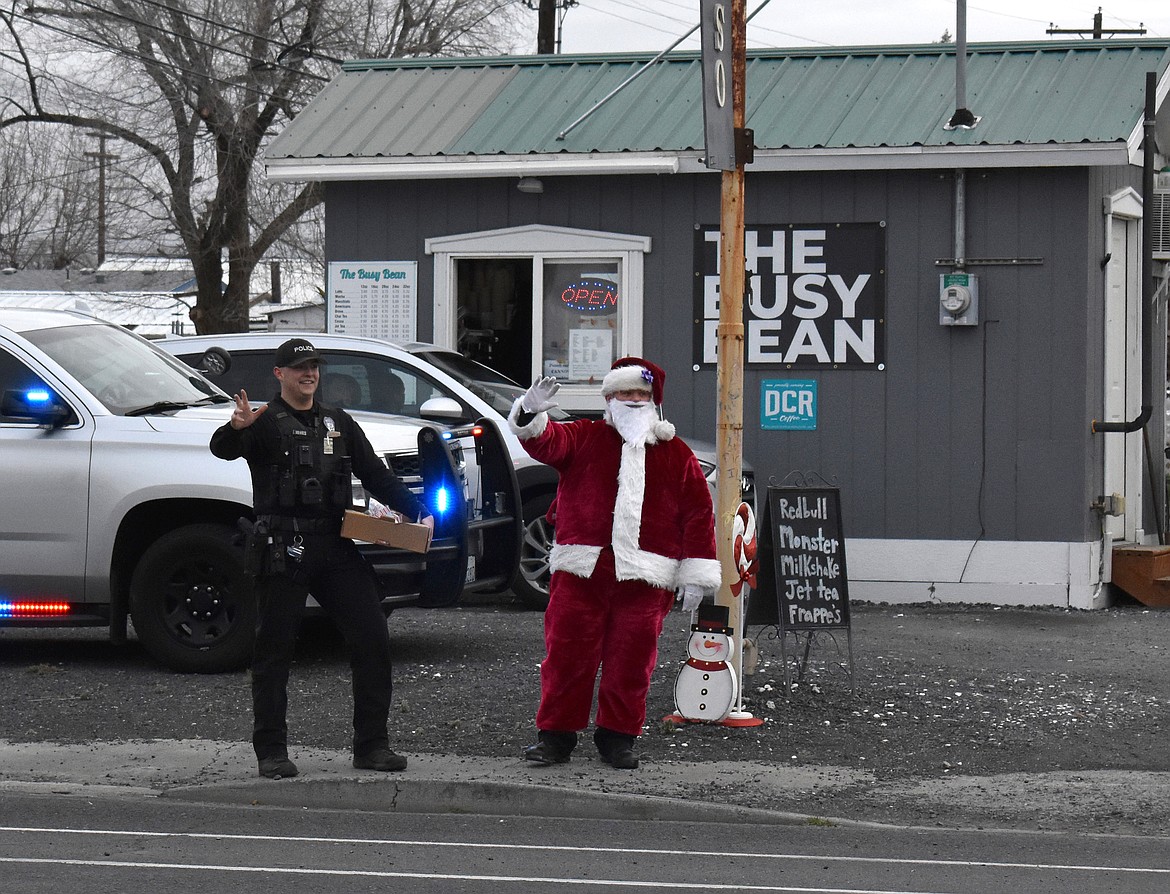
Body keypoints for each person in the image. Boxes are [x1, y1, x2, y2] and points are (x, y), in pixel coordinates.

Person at [210, 337, 434, 779]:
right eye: (298, 368)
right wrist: (236, 428)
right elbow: (222, 449)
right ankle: (271, 752)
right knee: (273, 650)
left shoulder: (338, 422)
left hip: (334, 544)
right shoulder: (262, 422)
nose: (308, 374)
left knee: (372, 638)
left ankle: (372, 746)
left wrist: (419, 512)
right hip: (283, 547)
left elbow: (376, 476)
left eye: (313, 367)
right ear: (279, 374)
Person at [508, 357, 721, 769]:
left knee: (632, 663)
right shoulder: (584, 437)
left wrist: (696, 572)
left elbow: (698, 513)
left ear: (654, 400)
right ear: (609, 398)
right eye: (625, 393)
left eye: (641, 394)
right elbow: (544, 441)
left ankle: (618, 739)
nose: (634, 400)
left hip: (646, 577)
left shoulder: (676, 453)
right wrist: (531, 412)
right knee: (567, 657)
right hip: (582, 571)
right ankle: (555, 737)